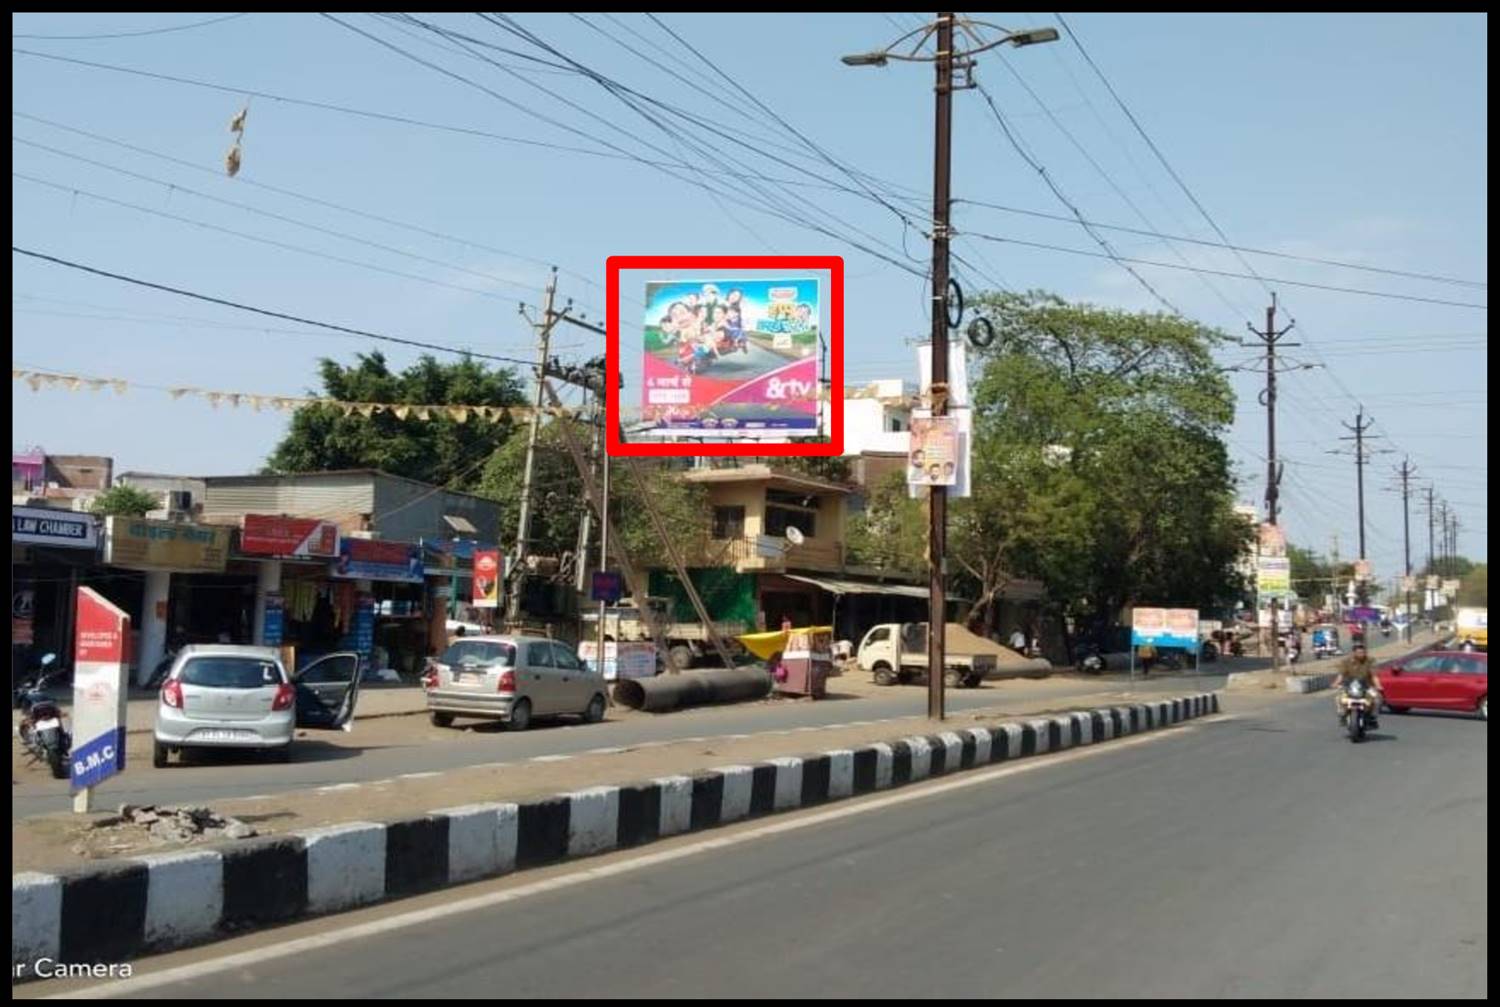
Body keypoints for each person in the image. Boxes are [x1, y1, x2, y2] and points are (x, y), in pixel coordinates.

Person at [1333, 641, 1381, 728]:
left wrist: (1378, 685)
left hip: (1366, 686)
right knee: (1338, 697)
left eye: (1363, 652)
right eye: (1359, 652)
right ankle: (1342, 715)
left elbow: (1374, 676)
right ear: (1354, 652)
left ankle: (1373, 717)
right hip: (1349, 686)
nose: (1362, 654)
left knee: (1377, 698)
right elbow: (1341, 675)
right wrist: (1336, 683)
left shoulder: (1370, 660)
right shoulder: (1346, 661)